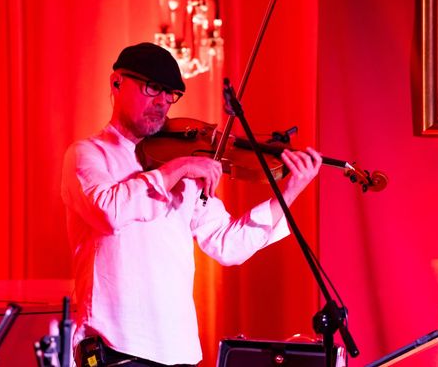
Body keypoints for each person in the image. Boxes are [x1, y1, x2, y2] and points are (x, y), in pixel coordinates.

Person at [61, 42, 322, 367]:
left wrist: (289, 193)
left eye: (170, 94)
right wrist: (177, 169)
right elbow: (109, 212)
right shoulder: (88, 154)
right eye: (152, 87)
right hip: (116, 345)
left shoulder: (180, 161)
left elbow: (227, 245)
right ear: (117, 83)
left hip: (178, 349)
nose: (162, 102)